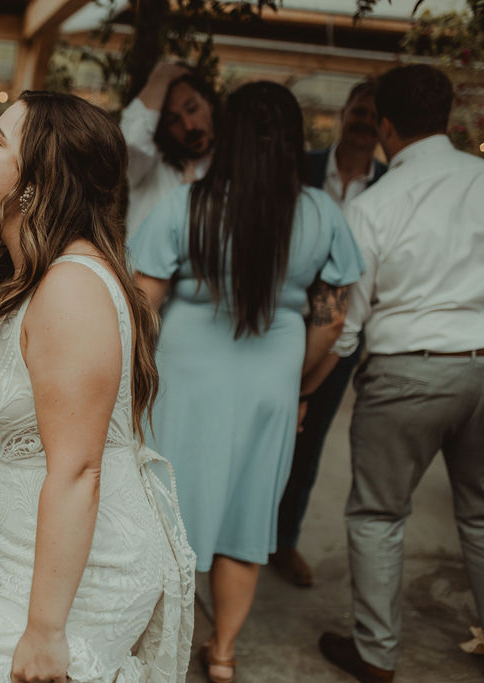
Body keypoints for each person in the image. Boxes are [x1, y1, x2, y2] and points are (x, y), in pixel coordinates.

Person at [0, 91, 195, 682]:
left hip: (88, 569)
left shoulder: (70, 288)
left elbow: (77, 468)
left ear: (38, 180)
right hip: (26, 549)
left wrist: (46, 631)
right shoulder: (36, 276)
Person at [130, 81, 364, 683]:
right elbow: (331, 320)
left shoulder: (188, 205)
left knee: (165, 513)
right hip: (270, 381)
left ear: (230, 135)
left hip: (185, 375)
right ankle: (225, 654)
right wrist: (300, 390)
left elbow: (142, 303)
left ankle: (154, 643)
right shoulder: (321, 213)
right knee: (245, 519)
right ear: (294, 139)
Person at [317, 64, 484, 683]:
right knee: (483, 513)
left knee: (379, 515)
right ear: (446, 117)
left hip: (406, 372)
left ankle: (377, 653)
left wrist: (310, 384)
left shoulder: (374, 203)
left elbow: (348, 320)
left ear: (385, 123)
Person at [270, 79, 388, 588]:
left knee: (309, 438)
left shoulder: (390, 184)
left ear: (385, 127)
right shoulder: (304, 168)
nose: (363, 122)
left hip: (341, 330)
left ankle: (284, 539)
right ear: (344, 114)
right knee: (261, 430)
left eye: (373, 116)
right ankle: (236, 533)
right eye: (357, 112)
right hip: (282, 317)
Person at [120, 60, 217, 239]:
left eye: (192, 109)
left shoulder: (234, 165)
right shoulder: (148, 168)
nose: (188, 126)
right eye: (173, 120)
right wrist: (161, 76)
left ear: (208, 102)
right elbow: (131, 141)